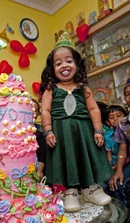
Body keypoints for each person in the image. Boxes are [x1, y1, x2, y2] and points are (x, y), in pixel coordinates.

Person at [40, 31, 113, 212]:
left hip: (84, 132)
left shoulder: (83, 88)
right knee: (66, 160)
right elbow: (45, 110)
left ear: (77, 65)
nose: (64, 65)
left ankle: (90, 188)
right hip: (60, 134)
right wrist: (48, 131)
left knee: (85, 157)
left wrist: (97, 130)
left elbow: (94, 109)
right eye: (58, 63)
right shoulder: (51, 89)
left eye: (69, 61)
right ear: (52, 69)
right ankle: (71, 192)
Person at [107, 83, 130, 223]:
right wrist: (119, 170)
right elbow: (122, 148)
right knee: (117, 184)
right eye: (128, 94)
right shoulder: (124, 124)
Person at [104, 104, 127, 170]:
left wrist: (118, 166)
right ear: (108, 122)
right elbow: (109, 153)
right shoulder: (108, 136)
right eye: (111, 117)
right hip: (114, 162)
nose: (115, 119)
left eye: (119, 116)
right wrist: (111, 165)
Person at [32, 98, 46, 180]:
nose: (35, 114)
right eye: (31, 110)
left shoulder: (39, 131)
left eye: (36, 111)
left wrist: (39, 170)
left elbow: (42, 153)